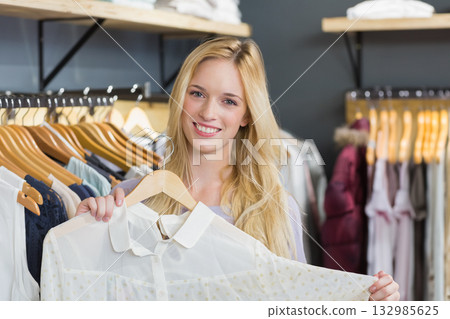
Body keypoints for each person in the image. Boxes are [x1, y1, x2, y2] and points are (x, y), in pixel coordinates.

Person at [76, 36, 400, 301]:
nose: (207, 112)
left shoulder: (274, 210)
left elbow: (298, 305)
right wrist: (86, 229)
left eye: (228, 101)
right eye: (197, 94)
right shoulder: (130, 197)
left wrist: (369, 302)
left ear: (246, 115)